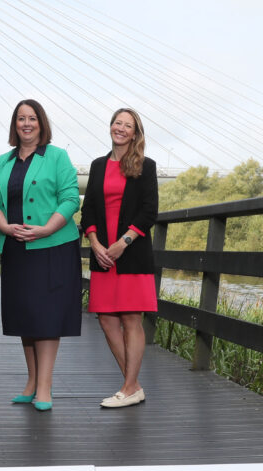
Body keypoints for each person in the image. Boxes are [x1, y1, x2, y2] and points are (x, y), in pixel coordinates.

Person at [0, 99, 81, 412]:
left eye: (32, 118)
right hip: (17, 248)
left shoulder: (57, 156)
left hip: (52, 247)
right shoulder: (4, 161)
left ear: (41, 123)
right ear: (15, 124)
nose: (26, 123)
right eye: (21, 118)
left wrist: (45, 229)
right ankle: (31, 381)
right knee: (26, 315)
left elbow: (69, 199)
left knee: (47, 317)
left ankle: (45, 387)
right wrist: (5, 228)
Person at [80, 108, 159, 408]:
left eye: (128, 125)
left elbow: (149, 210)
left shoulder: (145, 166)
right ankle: (134, 385)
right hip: (103, 256)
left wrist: (123, 242)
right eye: (117, 123)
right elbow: (88, 210)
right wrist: (96, 243)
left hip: (131, 253)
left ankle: (127, 388)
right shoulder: (98, 166)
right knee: (105, 319)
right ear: (110, 127)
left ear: (135, 133)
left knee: (130, 318)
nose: (121, 128)